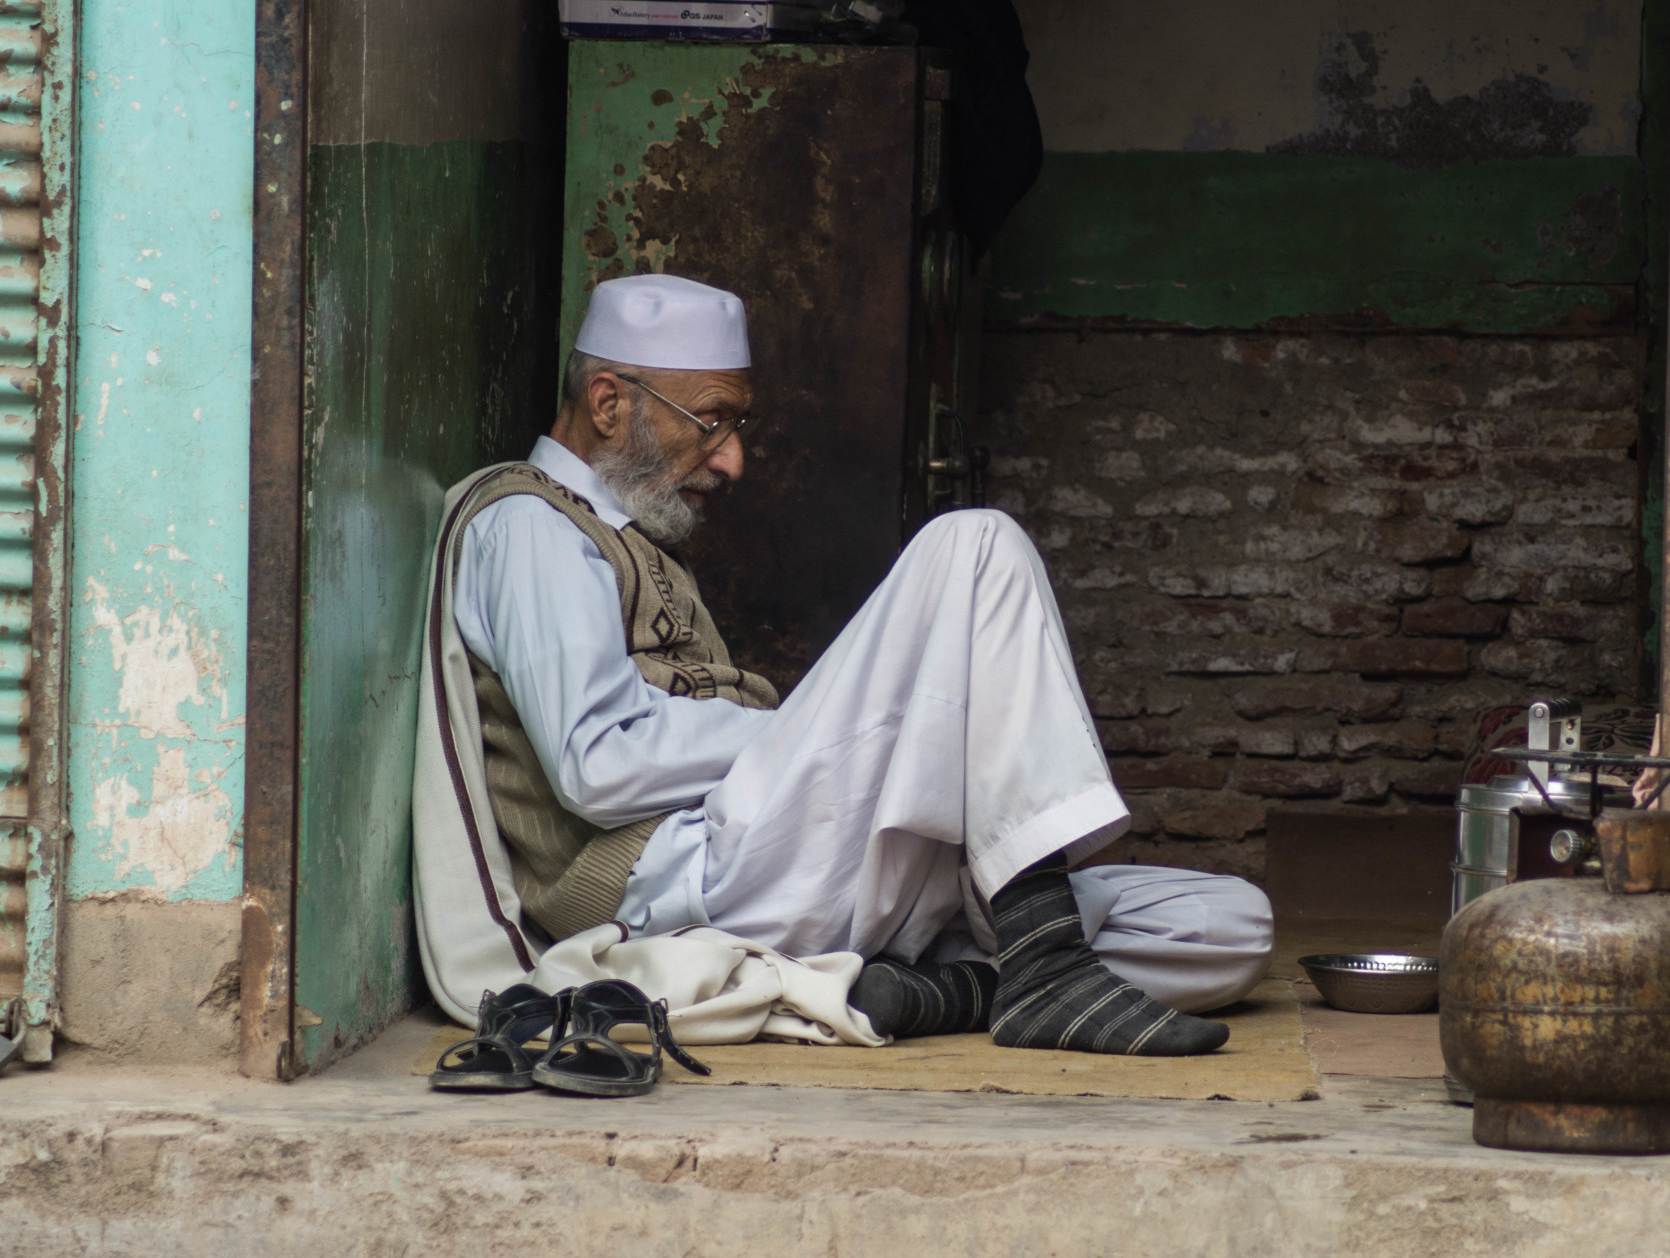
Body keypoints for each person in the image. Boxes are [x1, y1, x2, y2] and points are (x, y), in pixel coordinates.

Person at [437, 274, 1273, 1056]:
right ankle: (1043, 965)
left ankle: (954, 987)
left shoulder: (627, 534)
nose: (732, 459)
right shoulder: (531, 526)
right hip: (685, 883)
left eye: (737, 426)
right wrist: (789, 731)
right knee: (973, 542)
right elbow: (597, 761)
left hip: (783, 865)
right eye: (712, 419)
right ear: (610, 402)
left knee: (1226, 927)